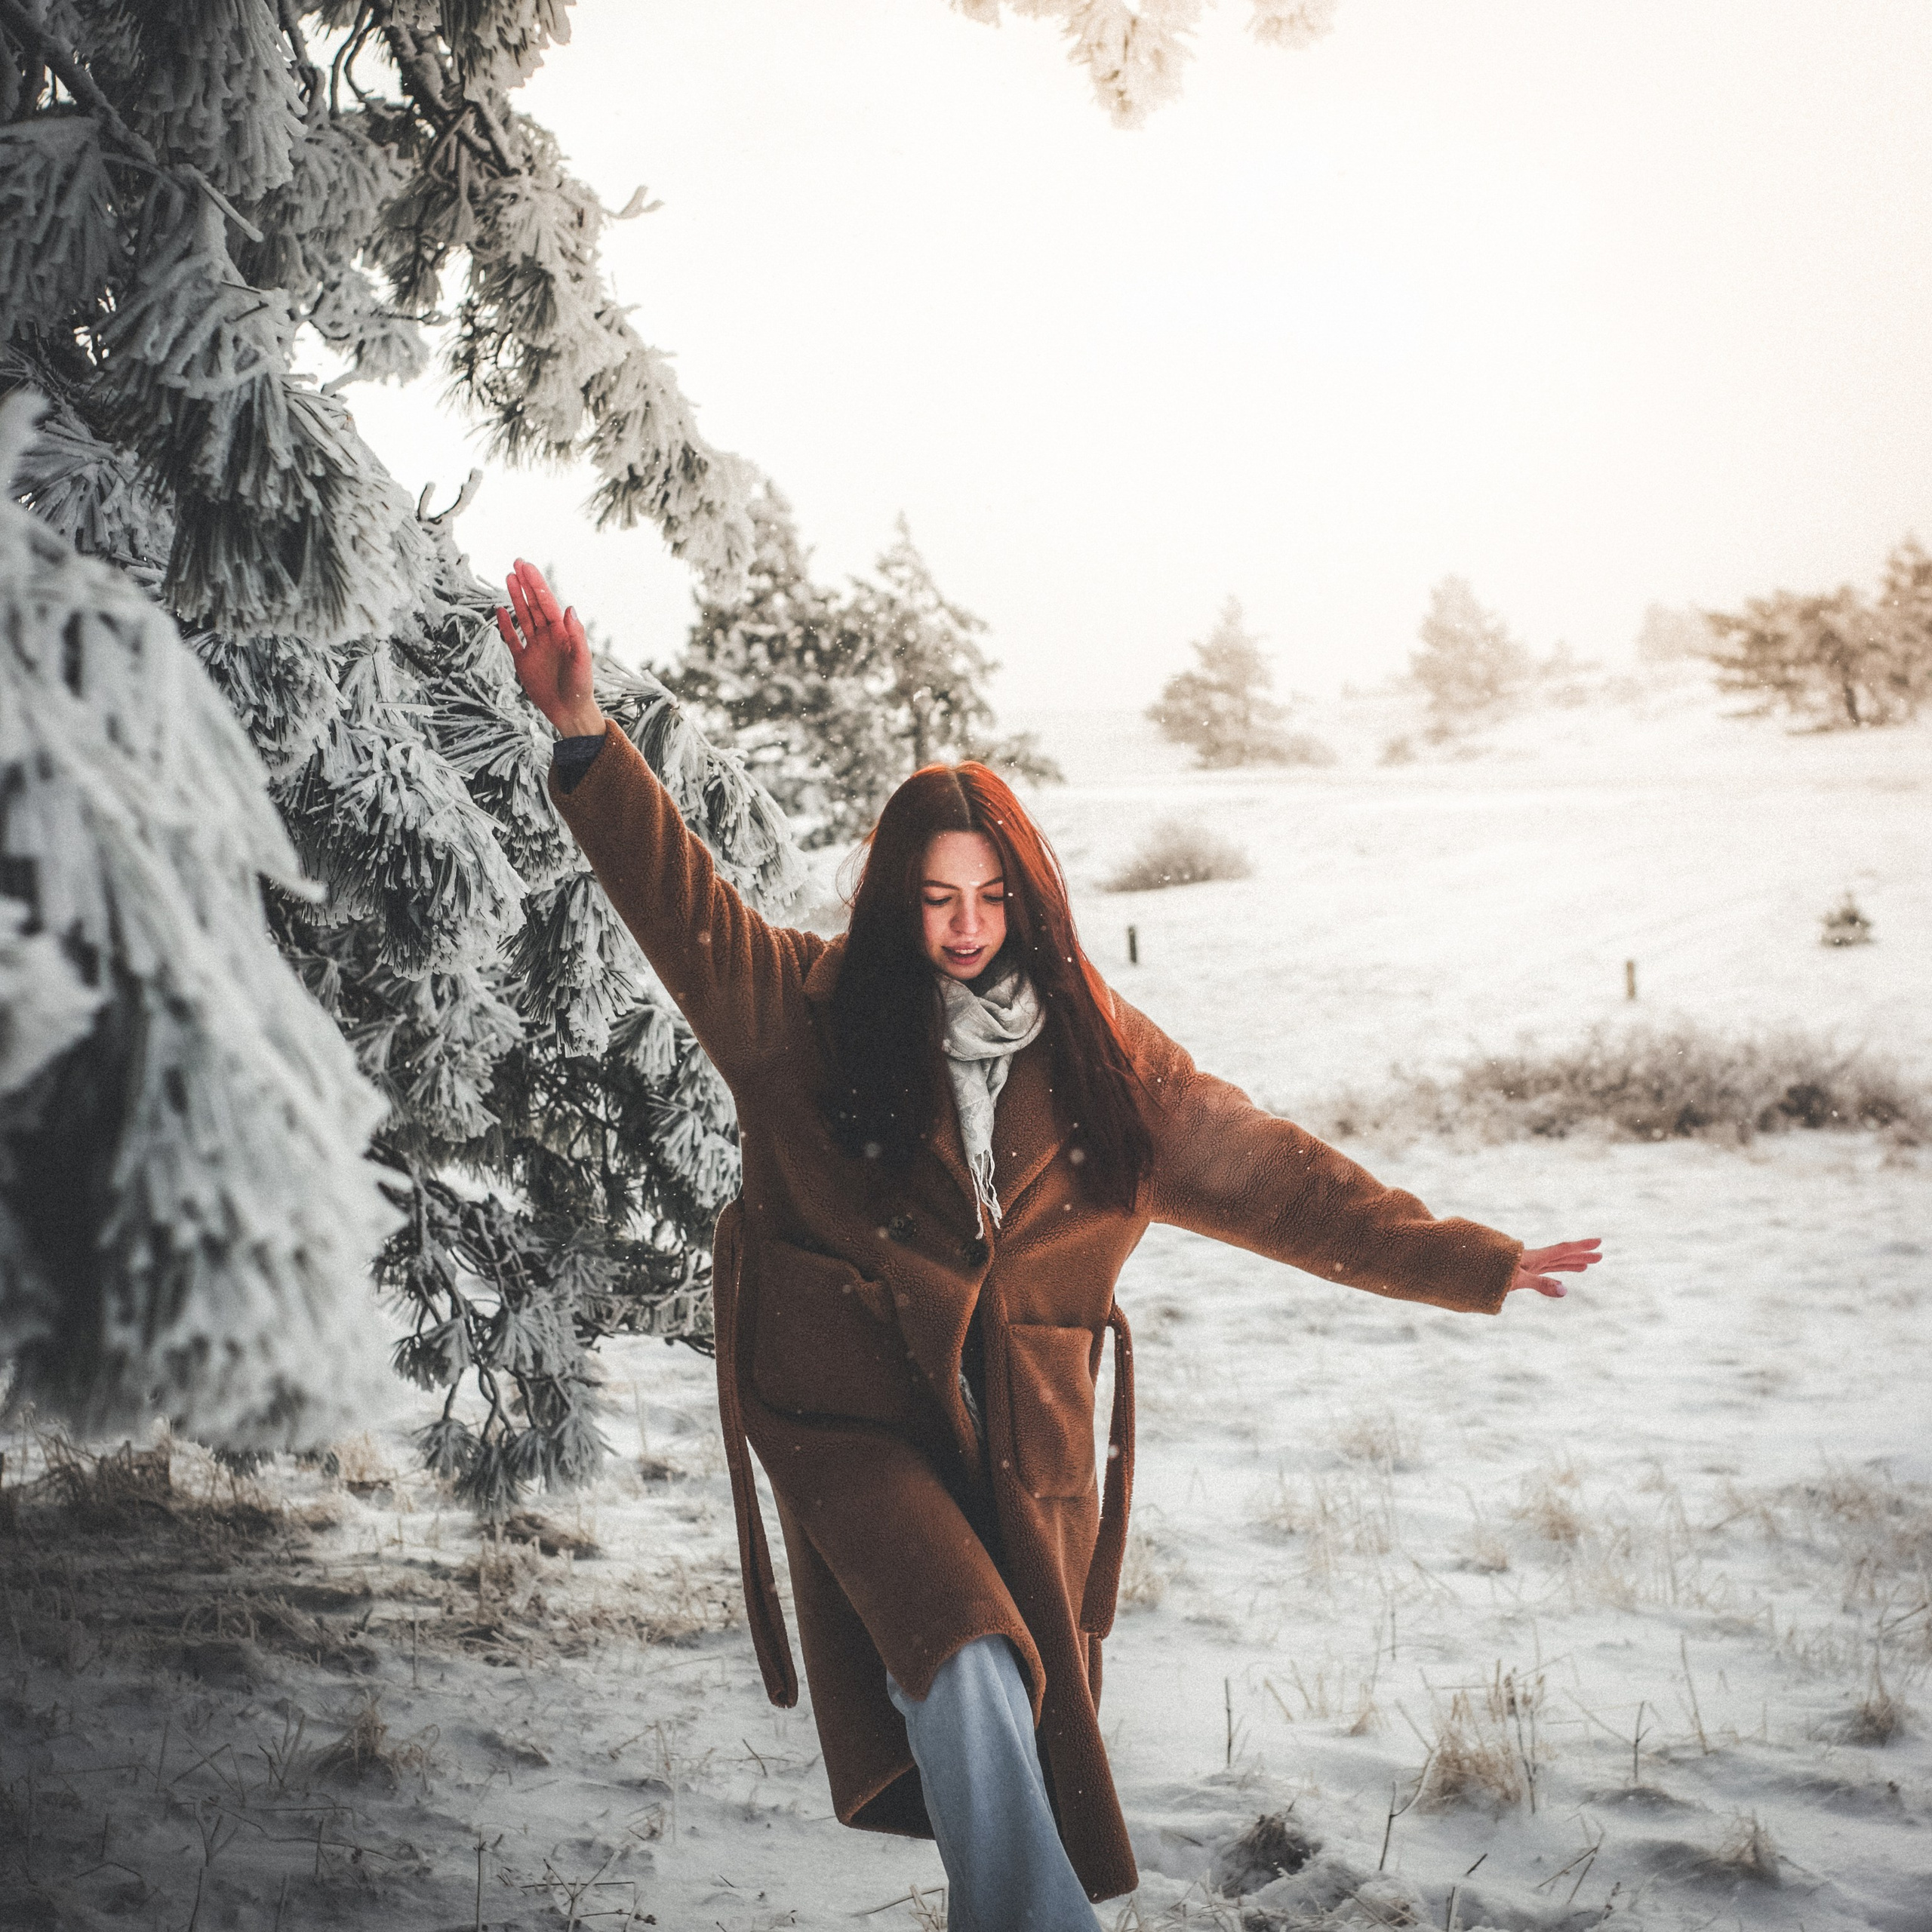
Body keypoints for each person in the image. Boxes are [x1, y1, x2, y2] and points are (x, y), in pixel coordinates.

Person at [495, 559, 1602, 1931]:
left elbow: (1281, 1181)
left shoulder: (1100, 1058)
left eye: (991, 898)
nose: (964, 929)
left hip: (1025, 1435)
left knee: (1009, 1696)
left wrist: (1478, 1261)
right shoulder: (801, 1013)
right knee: (962, 1660)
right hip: (854, 1420)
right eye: (937, 899)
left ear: (1028, 897)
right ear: (896, 898)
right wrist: (584, 736)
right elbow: (683, 905)